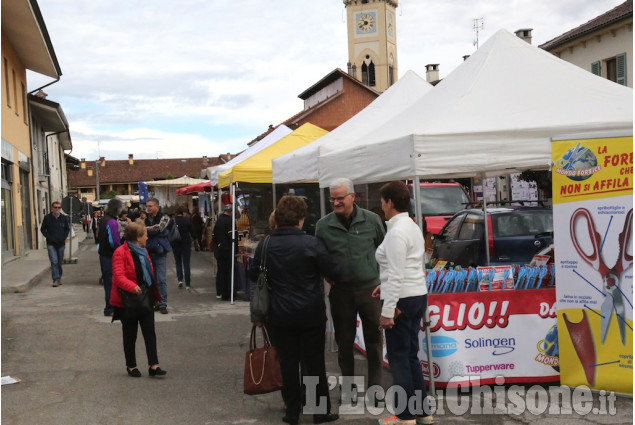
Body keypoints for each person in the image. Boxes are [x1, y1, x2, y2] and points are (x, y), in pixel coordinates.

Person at [248, 196, 340, 425]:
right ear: (301, 218)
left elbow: (253, 274)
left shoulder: (266, 244)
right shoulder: (312, 243)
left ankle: (291, 411)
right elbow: (333, 270)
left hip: (279, 313)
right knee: (314, 363)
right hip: (310, 312)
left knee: (288, 363)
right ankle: (318, 411)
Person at [314, 177, 385, 403]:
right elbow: (318, 256)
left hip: (371, 290)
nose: (336, 202)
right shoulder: (323, 225)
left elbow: (385, 250)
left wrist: (385, 280)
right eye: (332, 198)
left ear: (353, 197)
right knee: (344, 343)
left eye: (340, 198)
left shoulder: (372, 220)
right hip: (341, 292)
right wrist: (326, 273)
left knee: (374, 341)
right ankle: (348, 390)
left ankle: (376, 390)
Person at [372, 181, 432, 425]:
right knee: (409, 356)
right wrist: (383, 285)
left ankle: (405, 416)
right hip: (416, 294)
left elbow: (397, 273)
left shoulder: (397, 232)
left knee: (399, 358)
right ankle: (422, 412)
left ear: (390, 202)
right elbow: (409, 266)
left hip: (402, 298)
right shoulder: (411, 227)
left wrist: (387, 312)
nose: (381, 206)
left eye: (383, 201)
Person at [110, 220, 167, 378]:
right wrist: (131, 286)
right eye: (145, 235)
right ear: (137, 237)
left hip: (145, 294)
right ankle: (131, 365)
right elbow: (118, 276)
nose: (147, 238)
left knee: (150, 331)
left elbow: (149, 274)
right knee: (130, 333)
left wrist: (153, 293)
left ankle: (154, 365)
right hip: (128, 299)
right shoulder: (120, 252)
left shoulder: (144, 251)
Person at [144, 198, 172, 314]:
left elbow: (159, 229)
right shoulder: (146, 218)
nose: (148, 208)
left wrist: (148, 229)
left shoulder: (165, 217)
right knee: (151, 279)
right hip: (149, 251)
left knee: (161, 279)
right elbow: (142, 230)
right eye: (147, 206)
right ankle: (155, 302)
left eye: (150, 206)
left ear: (157, 206)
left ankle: (163, 303)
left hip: (160, 251)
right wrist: (150, 229)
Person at [98, 199, 124, 316]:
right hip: (110, 255)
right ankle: (110, 308)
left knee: (108, 282)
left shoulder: (104, 220)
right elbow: (114, 242)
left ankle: (110, 307)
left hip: (103, 254)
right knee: (112, 283)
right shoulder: (112, 222)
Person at [40, 201, 71, 287]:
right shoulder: (47, 218)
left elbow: (67, 229)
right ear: (52, 208)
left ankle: (59, 277)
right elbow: (43, 229)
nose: (57, 209)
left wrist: (63, 238)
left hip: (61, 244)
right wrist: (49, 237)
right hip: (51, 244)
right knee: (54, 261)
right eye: (55, 207)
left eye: (58, 207)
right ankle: (55, 279)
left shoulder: (64, 218)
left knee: (59, 262)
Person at [212, 204, 236, 300]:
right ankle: (229, 294)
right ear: (230, 212)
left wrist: (218, 244)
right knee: (229, 272)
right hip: (229, 250)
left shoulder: (218, 221)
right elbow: (232, 237)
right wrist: (235, 250)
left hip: (219, 250)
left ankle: (220, 292)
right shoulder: (230, 221)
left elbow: (214, 236)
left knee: (221, 271)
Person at [171, 205, 195, 289]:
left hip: (175, 244)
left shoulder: (172, 221)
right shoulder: (187, 221)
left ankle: (180, 280)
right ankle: (188, 283)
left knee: (178, 262)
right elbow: (193, 233)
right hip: (186, 244)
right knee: (186, 263)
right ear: (183, 213)